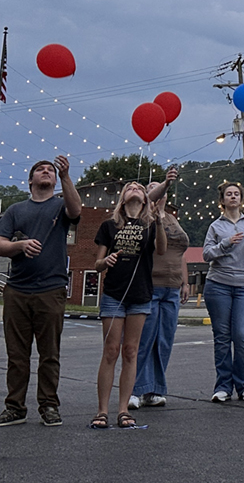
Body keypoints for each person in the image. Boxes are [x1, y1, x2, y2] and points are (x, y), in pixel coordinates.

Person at [0, 156, 82, 427]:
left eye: (50, 170)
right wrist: (21, 245)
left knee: (49, 353)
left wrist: (66, 177)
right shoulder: (16, 210)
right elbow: (0, 246)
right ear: (31, 180)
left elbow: (76, 212)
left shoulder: (61, 204)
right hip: (17, 289)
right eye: (40, 169)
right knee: (17, 354)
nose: (46, 172)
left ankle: (49, 406)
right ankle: (15, 407)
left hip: (50, 289)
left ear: (54, 180)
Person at [93, 180, 167, 428]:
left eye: (139, 187)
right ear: (123, 198)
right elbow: (97, 263)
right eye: (130, 187)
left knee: (131, 351)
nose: (135, 188)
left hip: (141, 294)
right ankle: (102, 411)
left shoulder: (149, 225)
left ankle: (123, 410)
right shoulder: (109, 225)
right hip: (114, 294)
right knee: (111, 350)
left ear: (145, 199)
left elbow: (162, 251)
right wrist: (107, 261)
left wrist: (159, 219)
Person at [202, 181, 244, 403]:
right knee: (222, 337)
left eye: (236, 194)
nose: (233, 197)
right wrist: (226, 243)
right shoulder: (215, 227)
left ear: (241, 199)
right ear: (222, 201)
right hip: (218, 285)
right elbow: (207, 254)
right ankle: (222, 387)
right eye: (228, 194)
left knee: (241, 335)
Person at [129, 171, 189, 409]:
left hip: (172, 289)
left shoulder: (173, 219)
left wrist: (185, 282)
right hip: (150, 286)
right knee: (144, 340)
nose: (159, 191)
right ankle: (133, 389)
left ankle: (154, 390)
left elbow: (181, 253)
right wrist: (163, 184)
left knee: (164, 341)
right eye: (153, 188)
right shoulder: (143, 217)